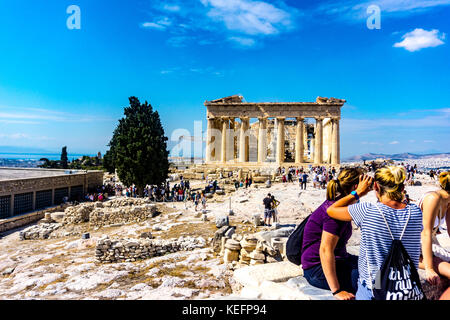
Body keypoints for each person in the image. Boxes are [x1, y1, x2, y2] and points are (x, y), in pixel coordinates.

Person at [327, 166, 423, 300]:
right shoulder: (416, 212)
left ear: (375, 187)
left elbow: (331, 210)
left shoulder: (367, 211)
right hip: (406, 285)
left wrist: (358, 193)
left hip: (375, 286)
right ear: (402, 188)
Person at [301, 168, 364, 300]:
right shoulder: (334, 213)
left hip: (340, 259)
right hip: (317, 269)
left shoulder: (339, 205)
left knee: (378, 267)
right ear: (356, 187)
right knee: (372, 280)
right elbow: (325, 250)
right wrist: (336, 291)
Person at [418, 171, 450, 284]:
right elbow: (425, 233)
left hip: (428, 240)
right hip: (413, 240)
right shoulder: (433, 198)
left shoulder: (448, 201)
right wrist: (429, 269)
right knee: (440, 263)